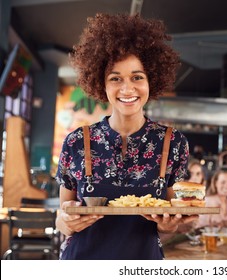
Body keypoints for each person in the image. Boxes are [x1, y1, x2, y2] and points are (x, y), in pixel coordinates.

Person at [55, 13, 197, 260]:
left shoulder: (173, 143)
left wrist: (170, 226)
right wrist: (67, 223)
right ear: (102, 84)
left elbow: (172, 221)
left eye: (137, 77)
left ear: (152, 80)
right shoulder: (76, 142)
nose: (127, 88)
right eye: (115, 78)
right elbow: (62, 219)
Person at [197, 168, 227, 233]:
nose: (226, 186)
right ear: (216, 183)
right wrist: (224, 224)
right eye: (223, 182)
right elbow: (198, 229)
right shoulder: (207, 202)